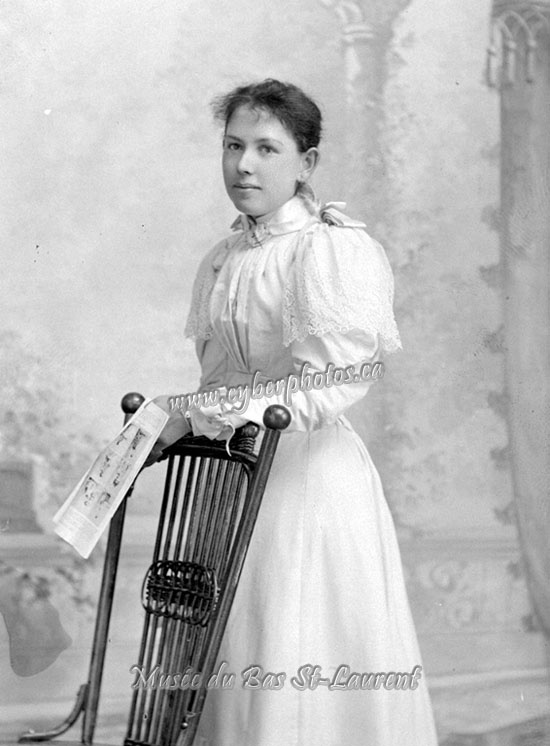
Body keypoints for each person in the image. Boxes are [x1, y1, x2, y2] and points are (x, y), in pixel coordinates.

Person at [150, 79, 438, 746]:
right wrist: (181, 415)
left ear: (306, 162)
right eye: (233, 146)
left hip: (305, 484)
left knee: (289, 645)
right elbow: (220, 379)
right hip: (230, 482)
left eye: (266, 148)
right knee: (228, 652)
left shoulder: (328, 251)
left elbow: (331, 384)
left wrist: (197, 414)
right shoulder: (224, 257)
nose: (244, 165)